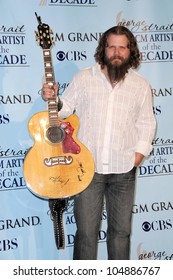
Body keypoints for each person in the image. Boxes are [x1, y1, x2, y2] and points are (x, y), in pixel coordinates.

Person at [42, 26, 156, 260]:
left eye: (122, 47)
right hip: (87, 170)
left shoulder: (141, 85)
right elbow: (65, 110)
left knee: (121, 234)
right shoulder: (84, 78)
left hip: (124, 170)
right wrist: (53, 98)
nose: (116, 52)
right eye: (111, 46)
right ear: (103, 49)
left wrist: (138, 155)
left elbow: (147, 123)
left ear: (129, 50)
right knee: (85, 234)